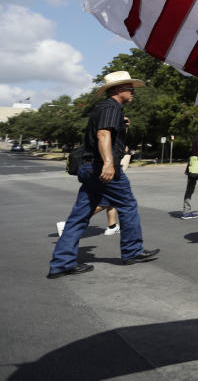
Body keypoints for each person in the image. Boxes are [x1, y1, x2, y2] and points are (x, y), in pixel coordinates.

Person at [48, 71, 159, 278]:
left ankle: (62, 263)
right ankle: (132, 251)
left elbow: (107, 133)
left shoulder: (105, 108)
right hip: (102, 167)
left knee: (80, 215)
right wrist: (109, 163)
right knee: (127, 205)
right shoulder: (111, 106)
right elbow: (103, 134)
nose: (133, 91)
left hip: (89, 167)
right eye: (129, 87)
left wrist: (121, 128)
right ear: (118, 90)